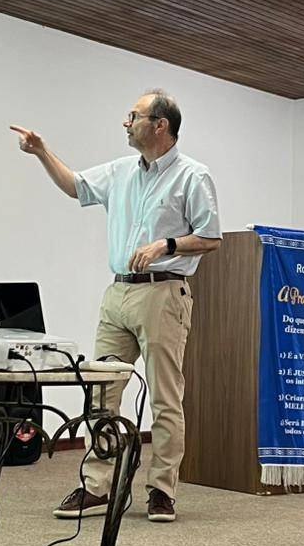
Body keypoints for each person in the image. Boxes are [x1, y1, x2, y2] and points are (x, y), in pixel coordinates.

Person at [11, 89, 221, 522]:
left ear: (160, 125)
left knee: (165, 397)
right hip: (118, 294)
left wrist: (166, 245)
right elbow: (75, 186)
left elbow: (211, 237)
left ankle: (161, 490)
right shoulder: (121, 171)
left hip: (164, 293)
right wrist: (42, 152)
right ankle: (97, 487)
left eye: (134, 116)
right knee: (101, 392)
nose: (126, 123)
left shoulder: (192, 176)